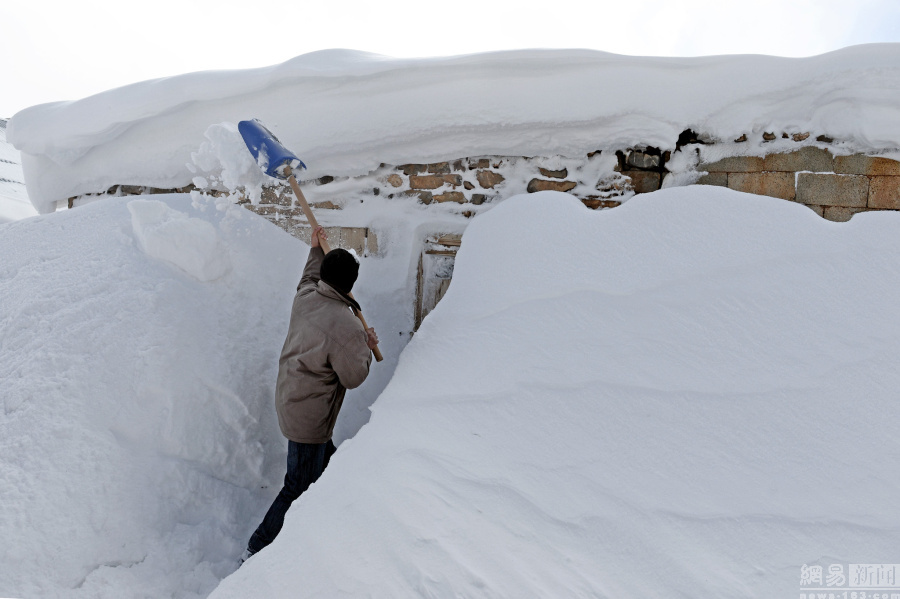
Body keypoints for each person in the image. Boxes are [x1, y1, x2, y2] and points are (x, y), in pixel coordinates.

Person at [241, 226, 378, 563]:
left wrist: (315, 249)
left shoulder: (306, 297)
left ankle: (325, 517)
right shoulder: (346, 327)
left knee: (328, 465)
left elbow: (309, 276)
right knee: (297, 485)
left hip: (291, 397)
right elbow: (354, 376)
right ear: (350, 284)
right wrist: (366, 345)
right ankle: (257, 548)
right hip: (310, 418)